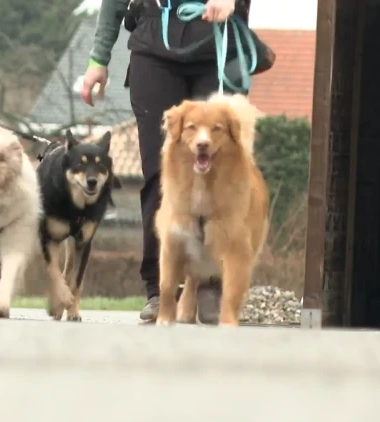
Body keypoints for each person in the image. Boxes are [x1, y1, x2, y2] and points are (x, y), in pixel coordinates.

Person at [81, 0, 252, 323]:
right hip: (153, 47)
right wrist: (98, 59)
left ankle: (211, 282)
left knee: (219, 173)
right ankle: (161, 288)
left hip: (215, 45)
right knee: (161, 174)